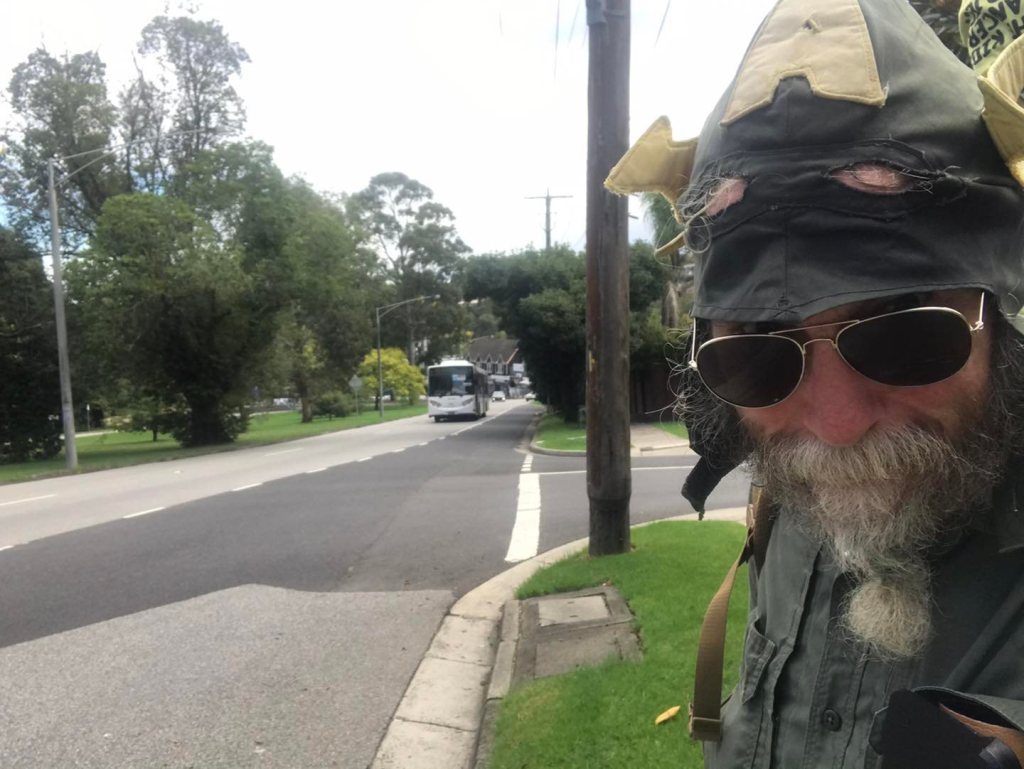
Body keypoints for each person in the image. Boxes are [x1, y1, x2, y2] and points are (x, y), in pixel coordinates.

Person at [607, 0, 1024, 767]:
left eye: (906, 336)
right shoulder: (791, 506)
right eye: (759, 356)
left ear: (1005, 320)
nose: (835, 424)